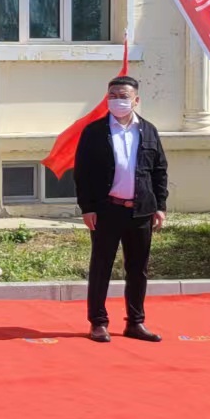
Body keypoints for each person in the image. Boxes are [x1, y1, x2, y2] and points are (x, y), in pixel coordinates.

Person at [74, 74, 169, 342]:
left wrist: (160, 206)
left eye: (123, 96)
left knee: (138, 269)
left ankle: (135, 322)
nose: (118, 101)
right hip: (106, 210)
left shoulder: (148, 130)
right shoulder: (94, 132)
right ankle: (98, 322)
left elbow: (159, 170)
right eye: (113, 96)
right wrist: (87, 208)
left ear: (136, 100)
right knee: (101, 266)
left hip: (141, 211)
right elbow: (82, 173)